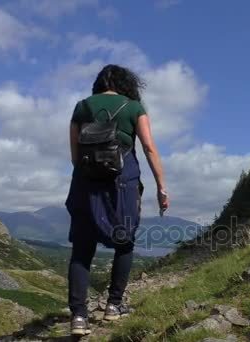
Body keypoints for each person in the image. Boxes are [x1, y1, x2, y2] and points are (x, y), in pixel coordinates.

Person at [66, 64, 169, 336]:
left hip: (86, 183)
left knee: (81, 249)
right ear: (126, 84)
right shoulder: (134, 107)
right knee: (125, 243)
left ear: (99, 84)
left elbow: (75, 156)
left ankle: (78, 317)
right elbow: (148, 147)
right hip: (122, 181)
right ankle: (113, 306)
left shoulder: (82, 107)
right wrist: (161, 187)